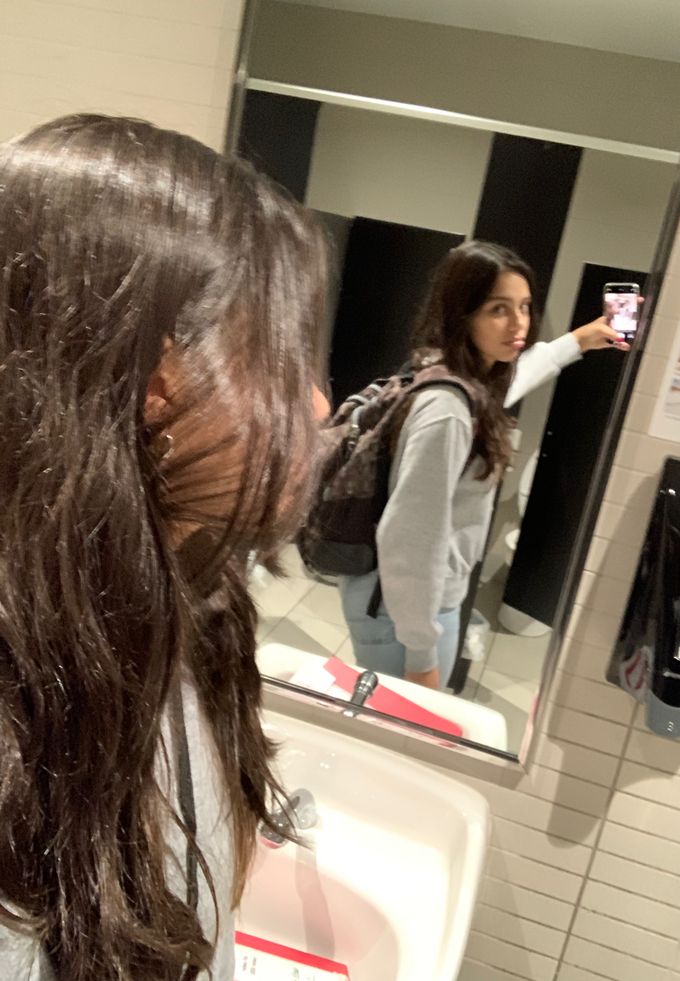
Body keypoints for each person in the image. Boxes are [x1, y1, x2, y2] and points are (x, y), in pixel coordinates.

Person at [0, 115, 326, 980]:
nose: (319, 407)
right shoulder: (20, 743)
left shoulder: (190, 621)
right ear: (156, 378)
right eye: (287, 367)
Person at [338, 241, 627, 690]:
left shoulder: (457, 380)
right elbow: (410, 540)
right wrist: (421, 655)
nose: (519, 324)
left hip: (404, 603)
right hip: (400, 612)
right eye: (498, 309)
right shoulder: (449, 411)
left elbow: (516, 379)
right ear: (463, 313)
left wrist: (581, 340)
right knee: (402, 739)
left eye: (525, 306)